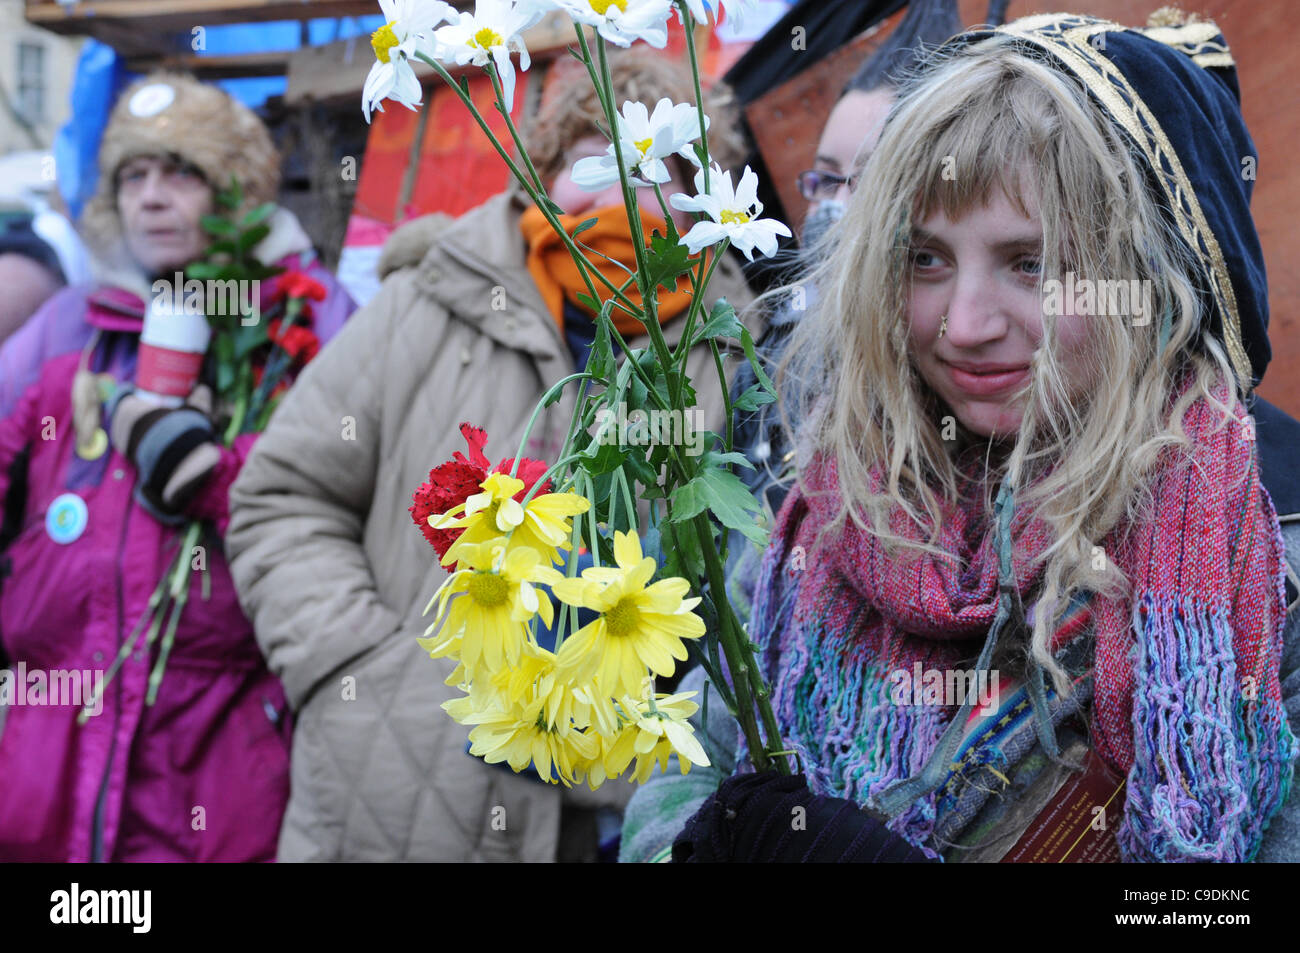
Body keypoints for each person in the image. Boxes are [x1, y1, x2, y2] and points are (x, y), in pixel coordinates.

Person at [628, 12, 1299, 863]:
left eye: (1033, 263)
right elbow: (682, 777)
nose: (965, 324)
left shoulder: (1264, 570)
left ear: (1150, 281)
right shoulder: (820, 517)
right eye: (925, 260)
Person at [225, 46, 760, 862]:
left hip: (621, 804)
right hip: (396, 792)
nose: (624, 189)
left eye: (662, 169)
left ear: (704, 201)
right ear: (539, 174)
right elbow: (285, 494)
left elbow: (754, 583)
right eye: (594, 158)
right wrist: (360, 663)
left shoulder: (739, 352)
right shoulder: (430, 301)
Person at [0, 72, 354, 861]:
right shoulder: (71, 326)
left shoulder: (307, 315)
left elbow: (352, 472)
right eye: (133, 176)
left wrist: (217, 473)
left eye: (181, 172)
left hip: (222, 746)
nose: (151, 198)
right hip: (48, 745)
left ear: (234, 188)